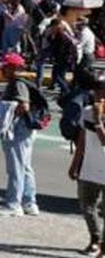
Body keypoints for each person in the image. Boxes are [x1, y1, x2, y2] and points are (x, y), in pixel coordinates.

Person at [0, 52, 41, 217]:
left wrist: (7, 111)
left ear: (12, 68)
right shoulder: (25, 81)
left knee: (16, 167)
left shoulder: (17, 84)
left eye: (5, 67)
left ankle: (13, 204)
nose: (2, 70)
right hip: (26, 129)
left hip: (18, 129)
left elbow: (24, 106)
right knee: (25, 166)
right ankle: (29, 202)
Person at [70, 78, 105, 254]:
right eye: (97, 90)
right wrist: (75, 164)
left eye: (102, 90)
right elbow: (82, 141)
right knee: (87, 205)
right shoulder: (87, 111)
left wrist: (98, 121)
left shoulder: (95, 114)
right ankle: (95, 239)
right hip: (89, 169)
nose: (98, 93)